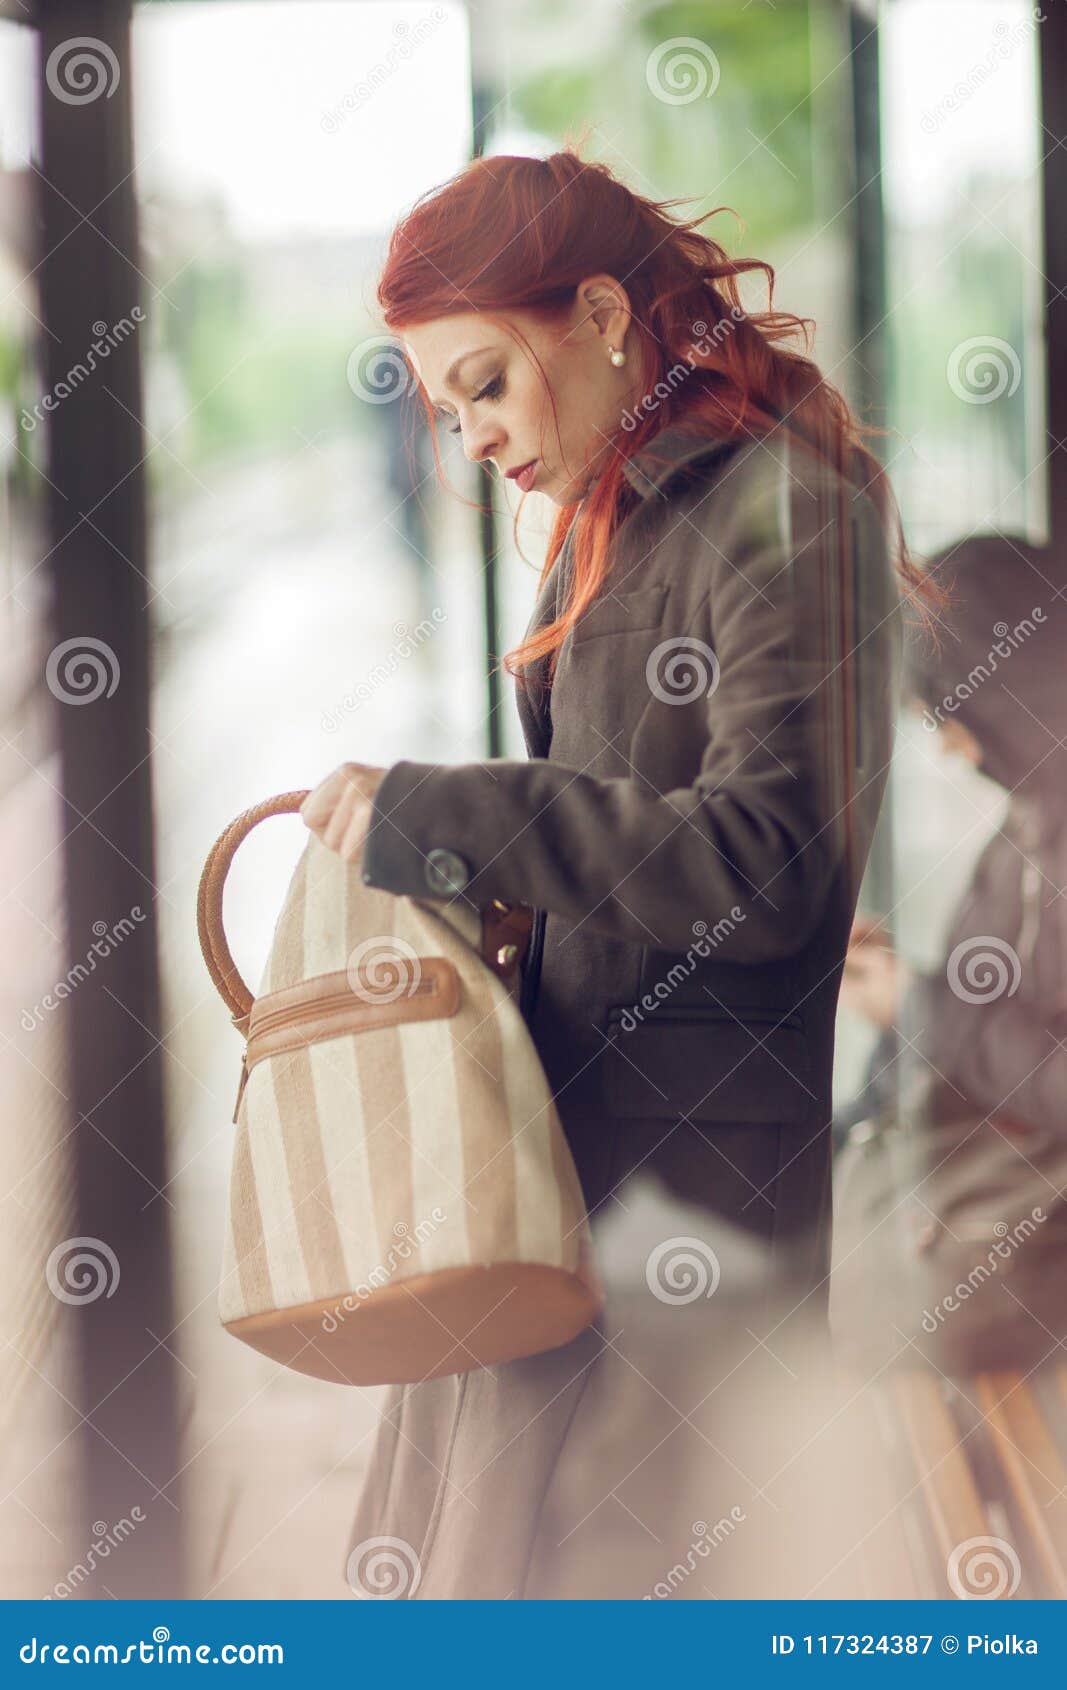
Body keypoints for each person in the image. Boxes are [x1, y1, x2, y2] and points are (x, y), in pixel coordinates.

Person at [299, 147, 933, 1598]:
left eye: (484, 382)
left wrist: (452, 811)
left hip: (678, 1205)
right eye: (440, 403)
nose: (466, 435)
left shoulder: (786, 515)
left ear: (596, 313)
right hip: (572, 1176)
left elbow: (764, 863)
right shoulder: (631, 507)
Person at [833, 533, 1067, 1376]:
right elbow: (975, 1013)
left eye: (945, 716)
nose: (945, 747)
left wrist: (914, 1005)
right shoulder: (1028, 821)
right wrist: (898, 986)